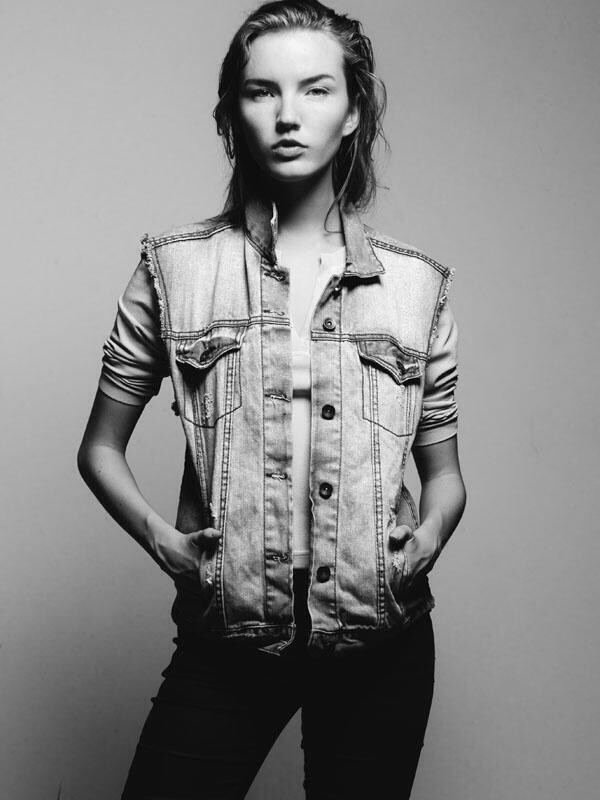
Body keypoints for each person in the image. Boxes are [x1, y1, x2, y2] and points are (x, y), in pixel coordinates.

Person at [77, 1, 467, 797]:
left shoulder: (416, 286)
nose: (288, 114)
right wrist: (164, 543)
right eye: (262, 91)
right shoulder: (174, 271)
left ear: (353, 111)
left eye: (316, 89)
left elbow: (446, 477)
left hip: (382, 642)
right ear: (232, 112)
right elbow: (98, 449)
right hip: (230, 638)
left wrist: (428, 537)